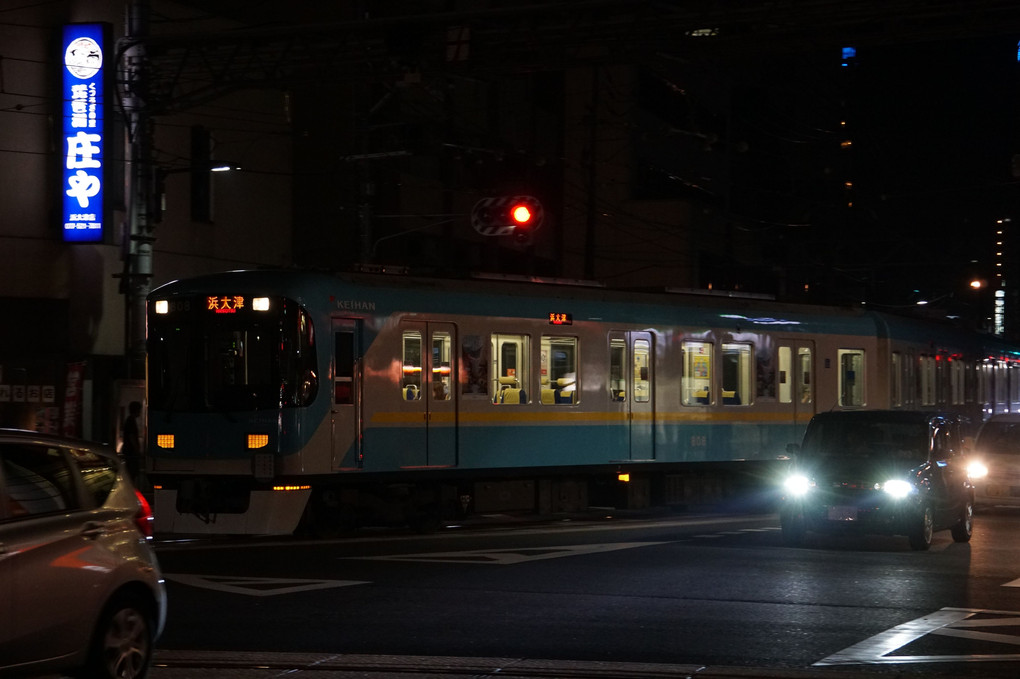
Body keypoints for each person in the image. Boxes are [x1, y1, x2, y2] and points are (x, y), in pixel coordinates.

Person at [121, 401, 143, 483]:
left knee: (130, 472)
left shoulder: (129, 420)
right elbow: (132, 436)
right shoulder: (131, 421)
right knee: (132, 472)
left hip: (129, 451)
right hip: (131, 452)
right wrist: (137, 449)